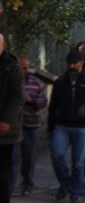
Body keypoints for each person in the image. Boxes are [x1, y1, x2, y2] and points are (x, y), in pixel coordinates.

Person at [48, 50, 85, 203]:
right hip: (62, 125)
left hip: (83, 127)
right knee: (57, 155)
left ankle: (76, 192)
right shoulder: (60, 82)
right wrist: (50, 128)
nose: (72, 66)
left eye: (75, 63)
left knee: (78, 163)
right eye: (69, 63)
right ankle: (66, 183)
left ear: (81, 63)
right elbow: (53, 106)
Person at [11, 57, 47, 196]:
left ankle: (27, 184)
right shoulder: (10, 80)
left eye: (26, 68)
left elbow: (43, 102)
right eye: (21, 68)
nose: (23, 71)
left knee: (29, 157)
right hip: (14, 125)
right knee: (12, 158)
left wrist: (30, 100)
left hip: (30, 125)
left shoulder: (37, 83)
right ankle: (9, 186)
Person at [0, 33, 24, 203]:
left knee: (2, 174)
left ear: (3, 46)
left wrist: (6, 121)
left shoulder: (12, 66)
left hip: (4, 130)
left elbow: (17, 96)